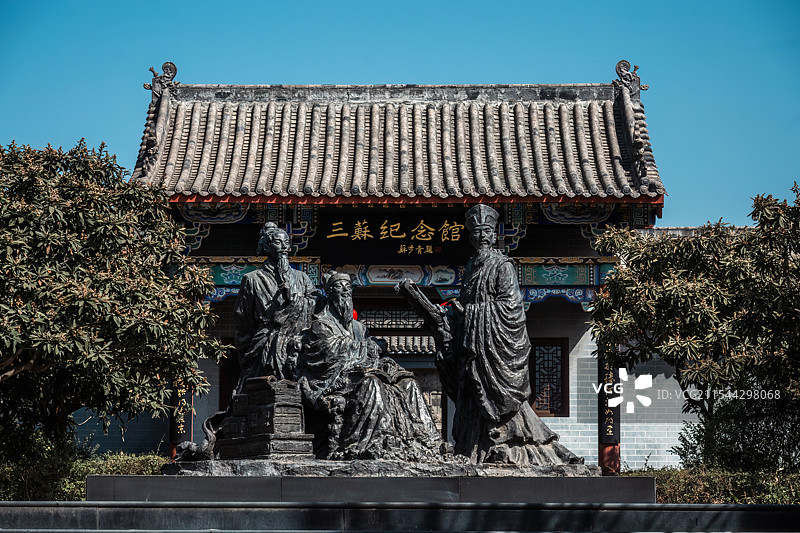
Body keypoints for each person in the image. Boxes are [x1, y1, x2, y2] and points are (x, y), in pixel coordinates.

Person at [397, 204, 581, 466]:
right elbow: (464, 306)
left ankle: (511, 444)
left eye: (486, 231)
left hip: (492, 348)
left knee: (497, 400)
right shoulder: (471, 267)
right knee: (472, 398)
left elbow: (511, 307)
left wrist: (471, 313)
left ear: (494, 234)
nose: (482, 236)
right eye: (476, 231)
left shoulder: (502, 266)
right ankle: (473, 449)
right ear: (470, 236)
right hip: (473, 346)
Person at [298, 271, 443, 460]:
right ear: (329, 293)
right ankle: (379, 438)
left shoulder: (359, 328)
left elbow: (370, 353)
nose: (345, 291)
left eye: (348, 287)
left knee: (408, 384)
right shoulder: (321, 324)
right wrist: (369, 347)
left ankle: (427, 440)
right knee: (371, 383)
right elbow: (329, 354)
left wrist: (380, 358)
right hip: (335, 380)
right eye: (339, 287)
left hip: (361, 372)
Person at [234, 222, 319, 388]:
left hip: (297, 342)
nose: (284, 247)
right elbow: (242, 318)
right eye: (278, 243)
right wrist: (261, 335)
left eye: (286, 243)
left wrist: (296, 301)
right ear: (267, 246)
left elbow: (317, 307)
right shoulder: (252, 279)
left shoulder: (302, 278)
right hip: (266, 342)